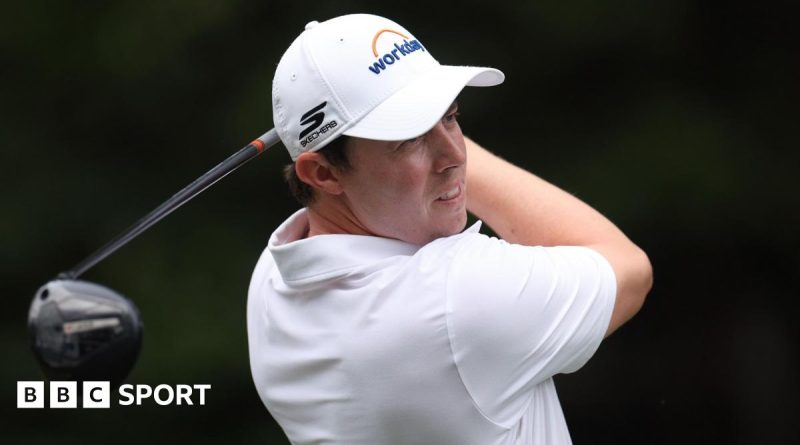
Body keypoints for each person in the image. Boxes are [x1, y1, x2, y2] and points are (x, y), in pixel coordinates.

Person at [247, 13, 652, 445]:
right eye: (410, 137)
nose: (455, 153)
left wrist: (416, 119)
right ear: (324, 174)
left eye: (451, 116)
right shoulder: (456, 296)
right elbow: (629, 269)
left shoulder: (272, 282)